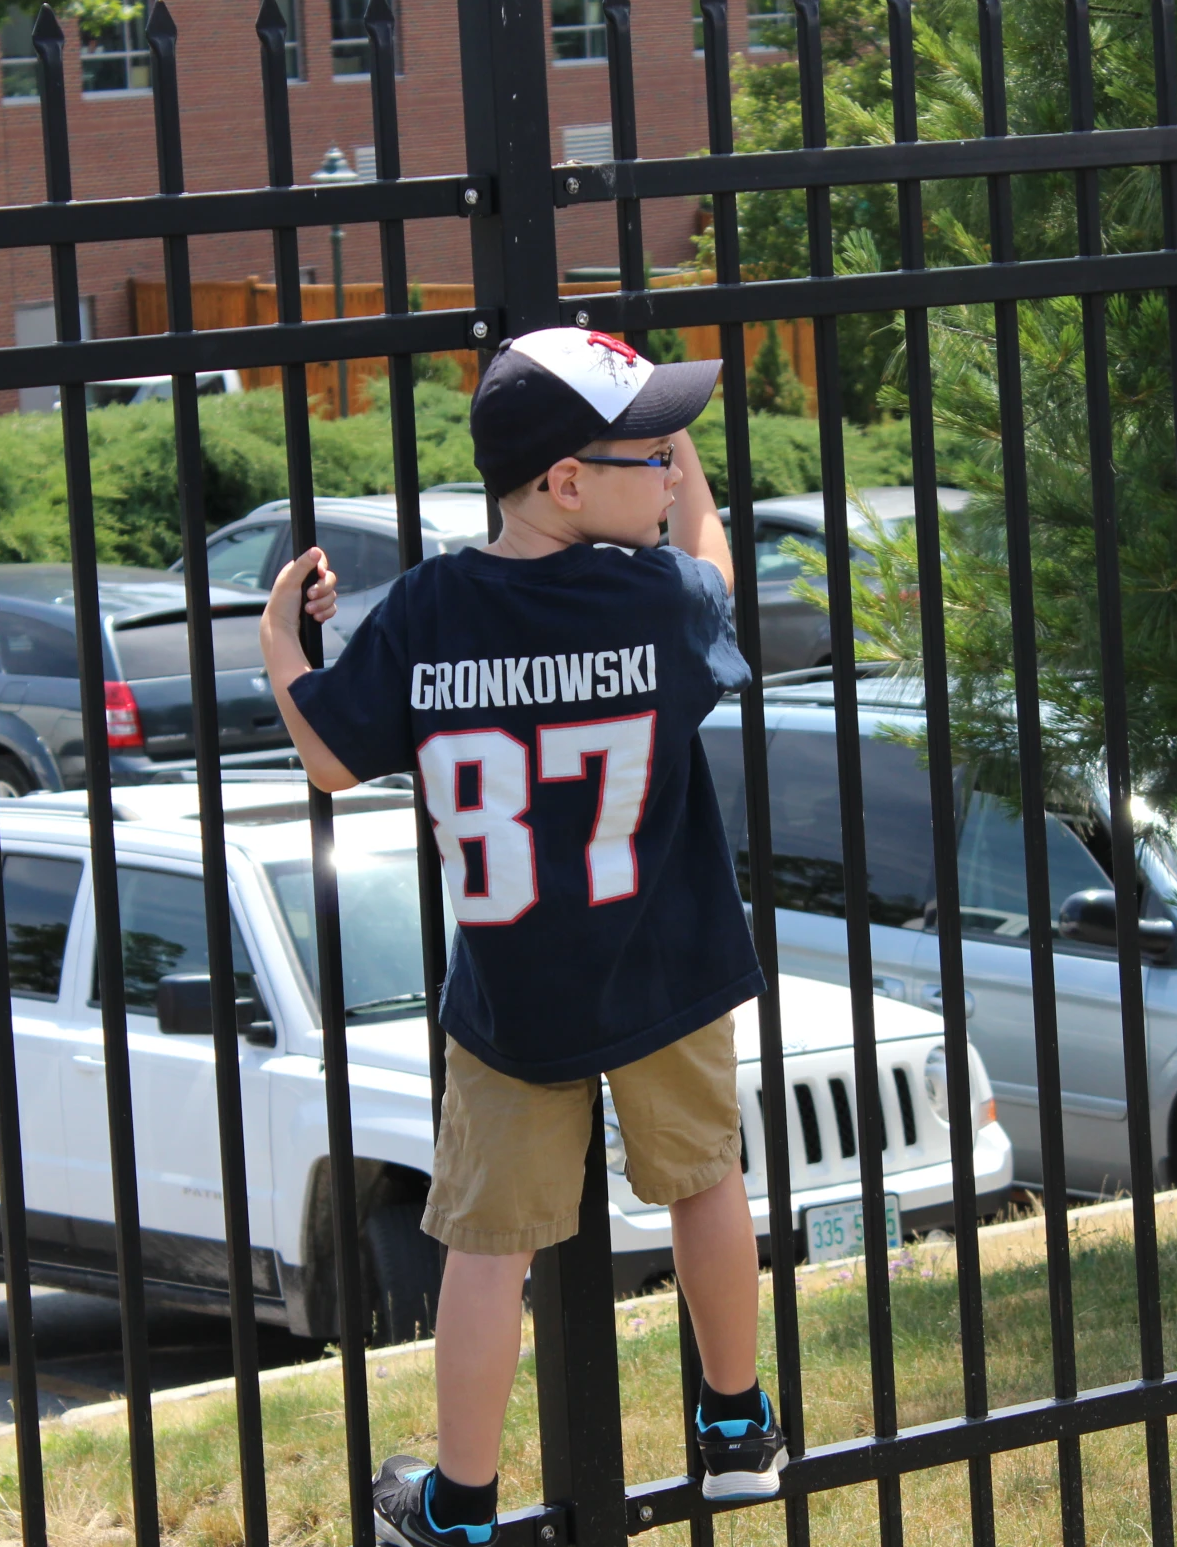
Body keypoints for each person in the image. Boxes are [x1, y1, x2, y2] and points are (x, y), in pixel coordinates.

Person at [258, 326, 785, 1547]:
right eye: (647, 452)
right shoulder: (658, 597)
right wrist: (694, 489)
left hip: (510, 993)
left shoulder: (432, 607)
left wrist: (285, 640)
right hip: (664, 964)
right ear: (563, 480)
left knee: (488, 1246)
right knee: (708, 1179)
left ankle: (462, 1504)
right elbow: (717, 570)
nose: (666, 471)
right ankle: (735, 1426)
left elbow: (330, 755)